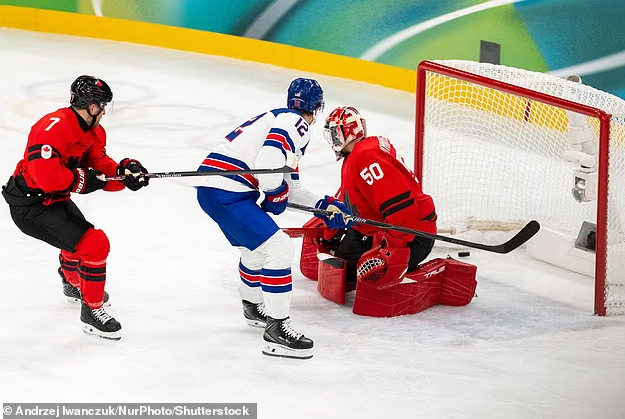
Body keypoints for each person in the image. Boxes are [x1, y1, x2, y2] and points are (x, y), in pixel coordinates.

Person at [2, 75, 150, 340]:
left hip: (54, 200)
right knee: (95, 243)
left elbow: (99, 163)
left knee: (78, 240)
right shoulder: (52, 127)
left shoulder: (94, 131)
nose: (104, 112)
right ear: (91, 106)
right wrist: (84, 180)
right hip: (31, 205)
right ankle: (92, 312)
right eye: (102, 106)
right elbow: (47, 177)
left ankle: (72, 284)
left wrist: (123, 172)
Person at [196, 78, 325, 359]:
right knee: (280, 248)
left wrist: (323, 206)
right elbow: (269, 161)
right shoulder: (296, 122)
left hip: (217, 189)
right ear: (316, 108)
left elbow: (291, 188)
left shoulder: (280, 119)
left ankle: (254, 307)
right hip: (227, 190)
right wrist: (274, 193)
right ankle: (277, 331)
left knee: (255, 252)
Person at [314, 106, 437, 287]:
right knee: (339, 272)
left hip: (412, 234)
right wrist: (332, 214)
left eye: (334, 133)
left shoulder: (366, 156)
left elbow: (401, 206)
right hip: (380, 228)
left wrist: (394, 249)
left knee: (353, 278)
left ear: (346, 132)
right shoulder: (356, 155)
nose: (332, 139)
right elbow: (355, 198)